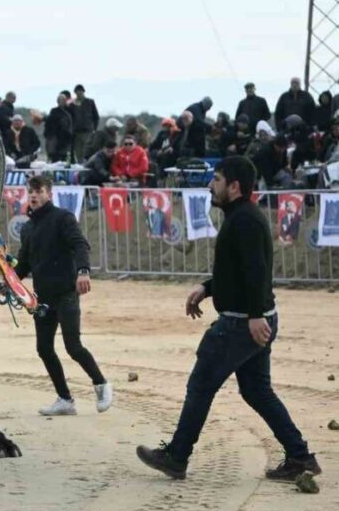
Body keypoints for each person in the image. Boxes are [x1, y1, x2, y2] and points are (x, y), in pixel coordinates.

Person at [137, 156, 320, 481]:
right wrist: (207, 288)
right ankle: (300, 457)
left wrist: (254, 316)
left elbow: (256, 272)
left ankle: (177, 457)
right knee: (256, 390)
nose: (210, 185)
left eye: (217, 179)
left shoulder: (244, 221)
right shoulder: (240, 217)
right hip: (253, 318)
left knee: (200, 385)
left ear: (234, 186)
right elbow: (237, 271)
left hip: (241, 323)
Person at [15, 176, 113, 416]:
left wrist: (83, 271)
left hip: (67, 292)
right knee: (44, 349)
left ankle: (102, 384)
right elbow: (24, 264)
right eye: (31, 192)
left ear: (49, 193)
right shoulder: (27, 228)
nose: (34, 196)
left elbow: (80, 245)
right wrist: (8, 281)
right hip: (42, 298)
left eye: (38, 191)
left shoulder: (63, 218)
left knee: (73, 346)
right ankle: (65, 399)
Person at [43, 91, 74, 162]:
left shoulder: (69, 111)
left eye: (63, 100)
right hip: (54, 137)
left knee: (65, 158)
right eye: (59, 100)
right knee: (54, 158)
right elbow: (49, 123)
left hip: (65, 138)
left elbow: (70, 125)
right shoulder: (54, 111)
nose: (61, 102)